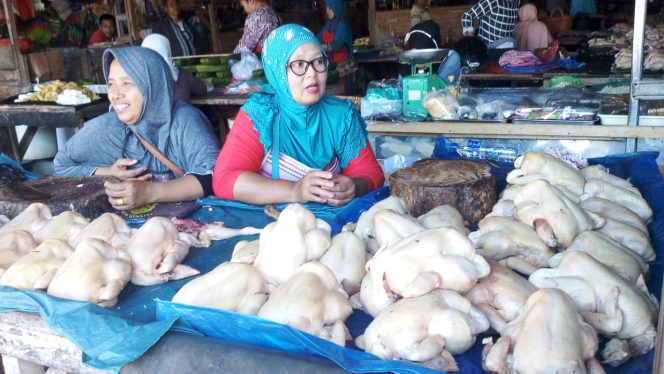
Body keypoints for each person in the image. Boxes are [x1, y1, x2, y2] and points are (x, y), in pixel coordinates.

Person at [213, 24, 384, 206]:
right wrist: (295, 190)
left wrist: (354, 187)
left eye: (318, 62)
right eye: (299, 64)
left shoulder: (341, 115)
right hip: (271, 225)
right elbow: (225, 179)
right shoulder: (260, 114)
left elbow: (370, 173)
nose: (312, 73)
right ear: (278, 72)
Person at [53, 47, 220, 211]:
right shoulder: (109, 129)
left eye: (127, 83)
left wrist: (149, 192)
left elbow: (212, 175)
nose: (116, 94)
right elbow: (61, 165)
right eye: (111, 84)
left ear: (152, 84)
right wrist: (107, 172)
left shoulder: (184, 120)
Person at [141, 34, 209, 103]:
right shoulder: (183, 75)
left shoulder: (138, 83)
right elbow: (203, 89)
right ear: (168, 51)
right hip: (183, 113)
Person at [318, 0, 353, 94]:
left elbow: (337, 45)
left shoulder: (342, 25)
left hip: (343, 67)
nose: (327, 11)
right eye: (327, 8)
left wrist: (323, 46)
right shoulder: (328, 24)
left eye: (330, 9)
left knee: (344, 93)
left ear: (337, 9)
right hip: (332, 66)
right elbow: (318, 37)